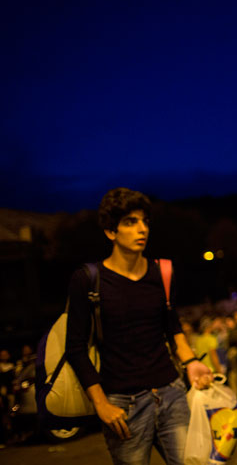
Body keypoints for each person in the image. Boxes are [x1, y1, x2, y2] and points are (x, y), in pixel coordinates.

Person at [65, 187, 212, 465]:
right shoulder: (88, 279)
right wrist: (101, 404)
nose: (141, 229)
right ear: (111, 232)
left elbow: (173, 329)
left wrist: (191, 362)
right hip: (122, 403)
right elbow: (75, 348)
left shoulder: (162, 272)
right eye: (130, 222)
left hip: (170, 393)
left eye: (144, 221)